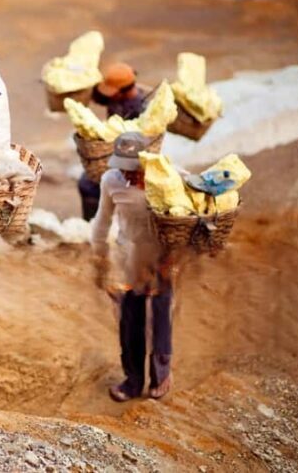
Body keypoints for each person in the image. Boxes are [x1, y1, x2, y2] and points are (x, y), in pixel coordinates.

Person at [90, 132, 174, 402]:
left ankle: (161, 376)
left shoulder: (165, 176)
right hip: (129, 258)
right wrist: (99, 255)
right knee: (130, 322)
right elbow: (102, 220)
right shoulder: (110, 181)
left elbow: (186, 216)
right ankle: (133, 380)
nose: (127, 174)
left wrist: (174, 258)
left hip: (161, 259)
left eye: (133, 168)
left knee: (160, 320)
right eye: (122, 168)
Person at [78, 62, 149, 221]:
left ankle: (97, 224)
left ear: (124, 90)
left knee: (89, 186)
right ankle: (93, 223)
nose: (109, 95)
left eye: (112, 91)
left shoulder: (141, 109)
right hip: (110, 151)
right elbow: (98, 96)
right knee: (86, 183)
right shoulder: (116, 98)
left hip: (129, 158)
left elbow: (142, 142)